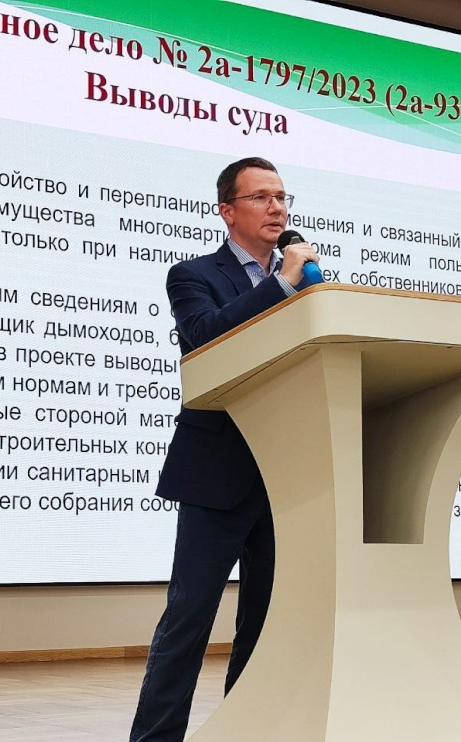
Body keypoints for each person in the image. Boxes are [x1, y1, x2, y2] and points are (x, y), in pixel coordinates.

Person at [129, 157, 319, 742]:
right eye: (261, 197)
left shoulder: (310, 280)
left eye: (281, 197)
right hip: (215, 473)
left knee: (264, 625)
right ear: (227, 211)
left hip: (284, 475)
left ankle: (246, 729)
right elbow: (206, 337)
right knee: (188, 620)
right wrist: (281, 286)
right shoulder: (193, 275)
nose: (276, 207)